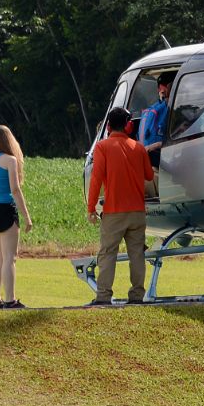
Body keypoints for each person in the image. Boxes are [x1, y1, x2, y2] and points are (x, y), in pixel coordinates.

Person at [86, 106, 154, 305]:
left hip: (114, 211)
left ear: (108, 126)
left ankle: (104, 296)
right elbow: (149, 175)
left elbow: (96, 179)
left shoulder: (102, 147)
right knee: (137, 254)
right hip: (137, 211)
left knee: (108, 253)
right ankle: (136, 296)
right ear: (128, 126)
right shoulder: (139, 147)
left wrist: (91, 208)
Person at [0, 125, 34, 309]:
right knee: (10, 258)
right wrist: (27, 217)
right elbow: (15, 189)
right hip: (5, 207)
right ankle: (10, 300)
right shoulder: (10, 160)